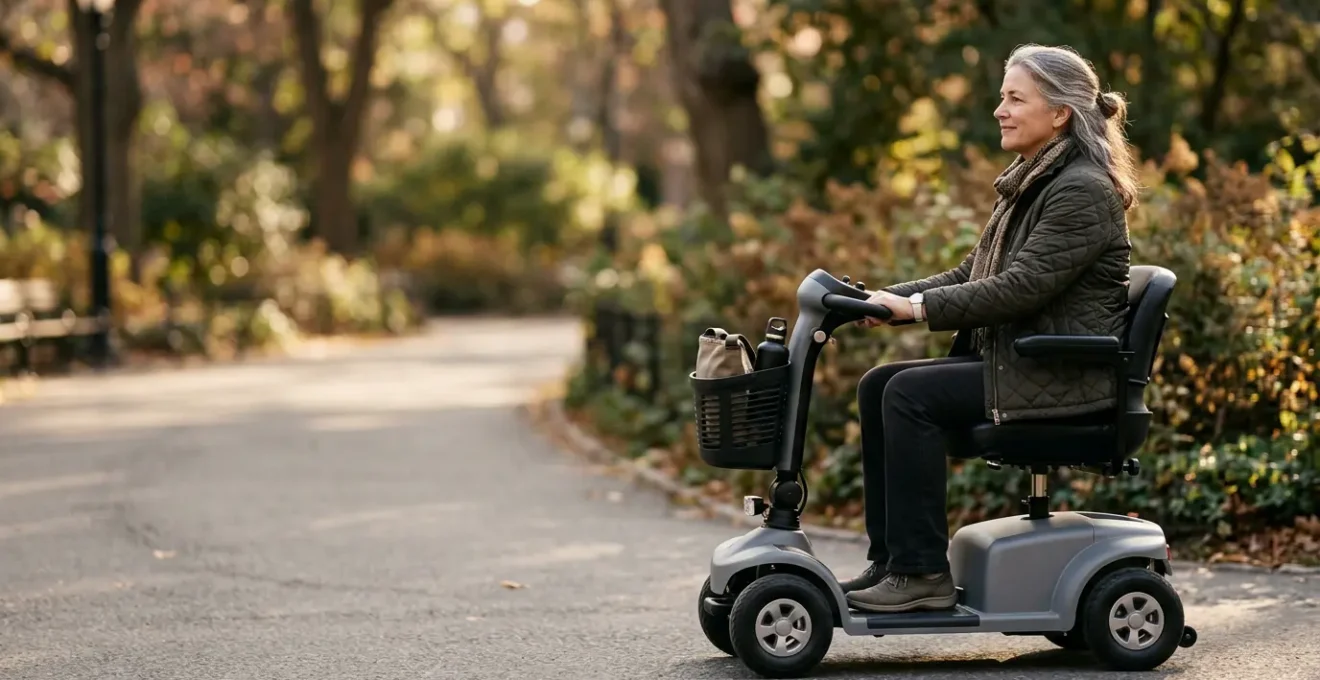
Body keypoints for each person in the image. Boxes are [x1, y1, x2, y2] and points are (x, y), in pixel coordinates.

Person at [840, 44, 1139, 614]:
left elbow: (1020, 287)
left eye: (1014, 98)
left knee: (906, 395)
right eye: (1002, 96)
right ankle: (894, 561)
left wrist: (919, 310)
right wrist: (880, 299)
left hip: (1062, 374)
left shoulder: (1080, 189)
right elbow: (971, 273)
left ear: (1059, 115)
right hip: (1025, 364)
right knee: (880, 383)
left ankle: (921, 573)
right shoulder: (1034, 179)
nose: (999, 109)